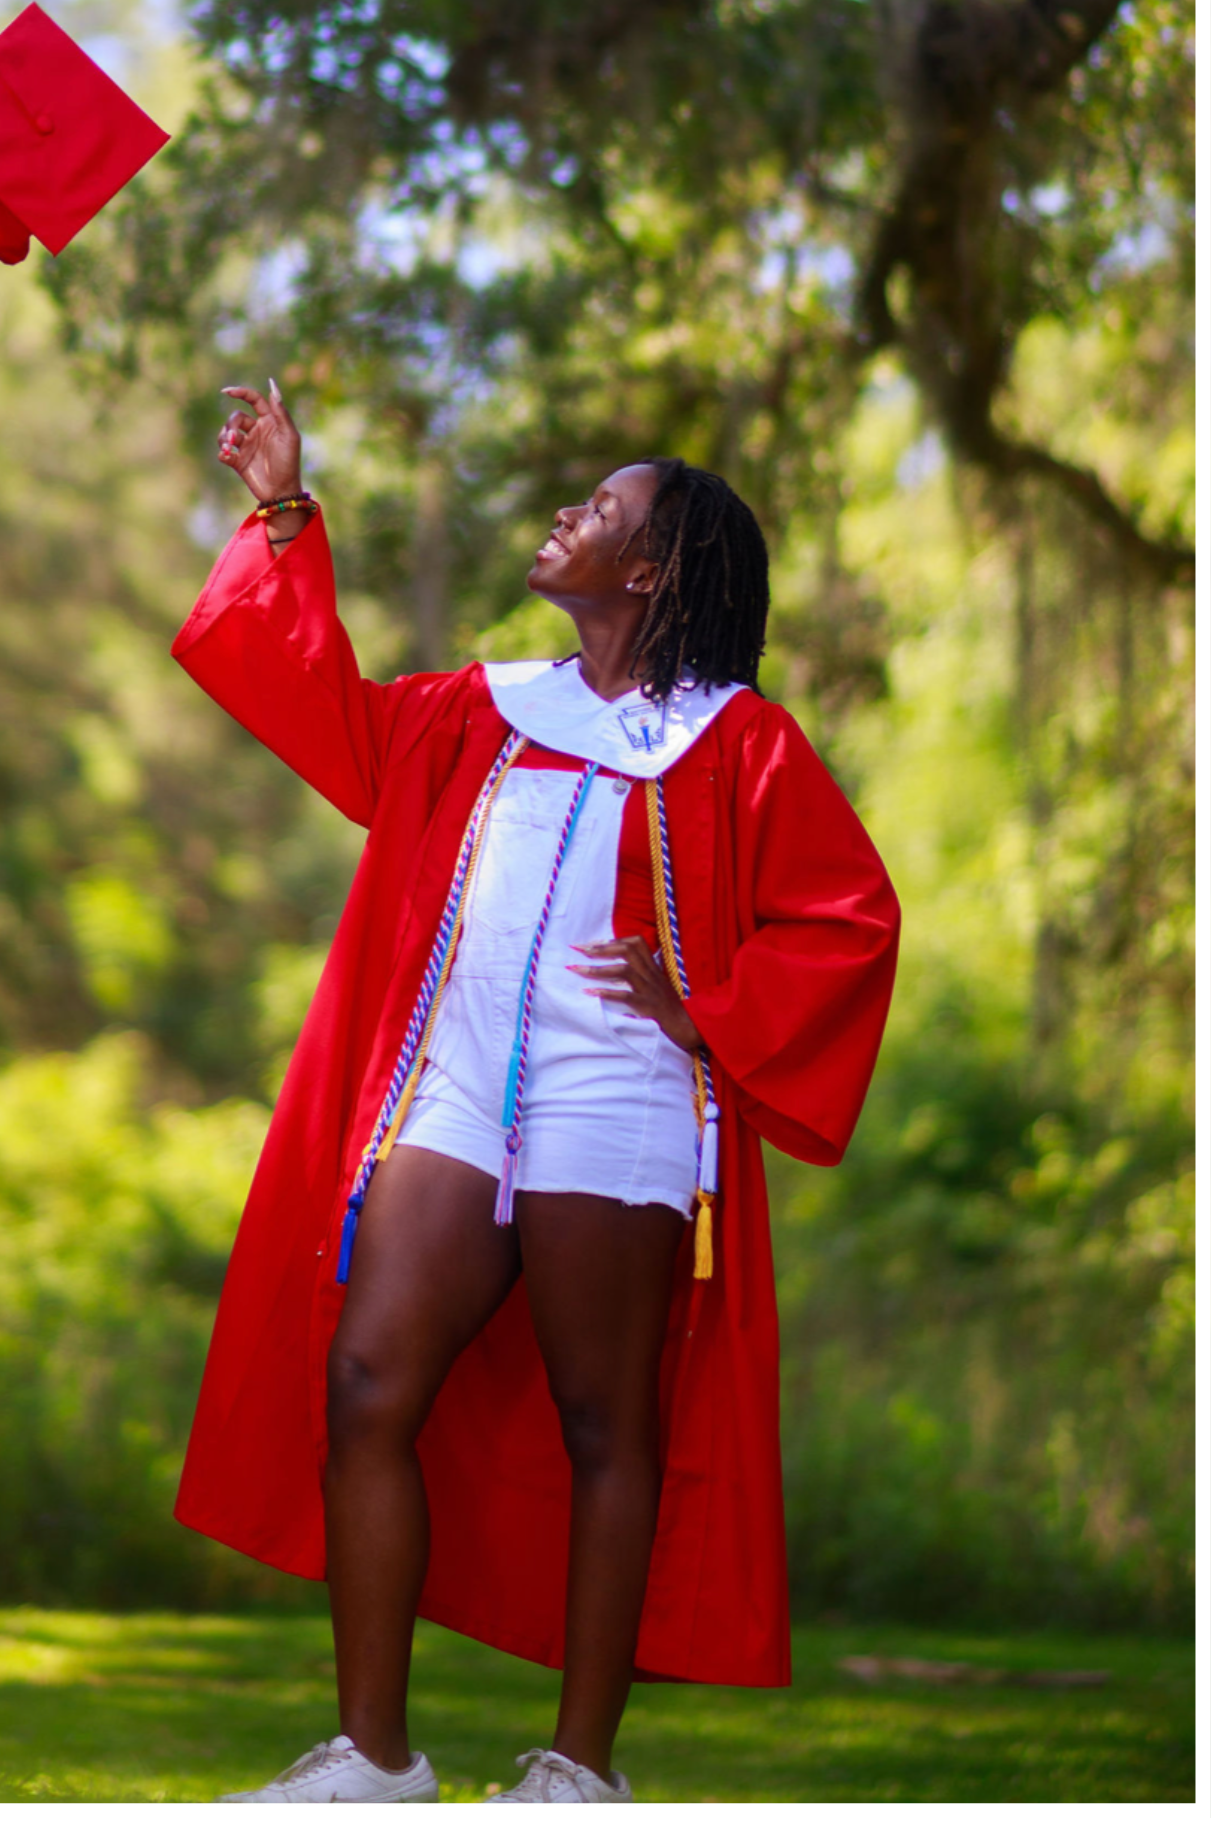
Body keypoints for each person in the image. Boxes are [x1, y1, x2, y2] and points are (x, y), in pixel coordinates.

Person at [171, 379, 900, 1803]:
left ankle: (578, 1769)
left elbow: (849, 919)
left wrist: (709, 1017)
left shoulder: (735, 744)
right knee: (369, 1376)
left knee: (604, 1421)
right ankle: (373, 1758)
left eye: (602, 509)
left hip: (619, 1088)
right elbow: (320, 708)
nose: (569, 514)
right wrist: (280, 510)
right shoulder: (491, 711)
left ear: (651, 570)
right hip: (457, 1075)